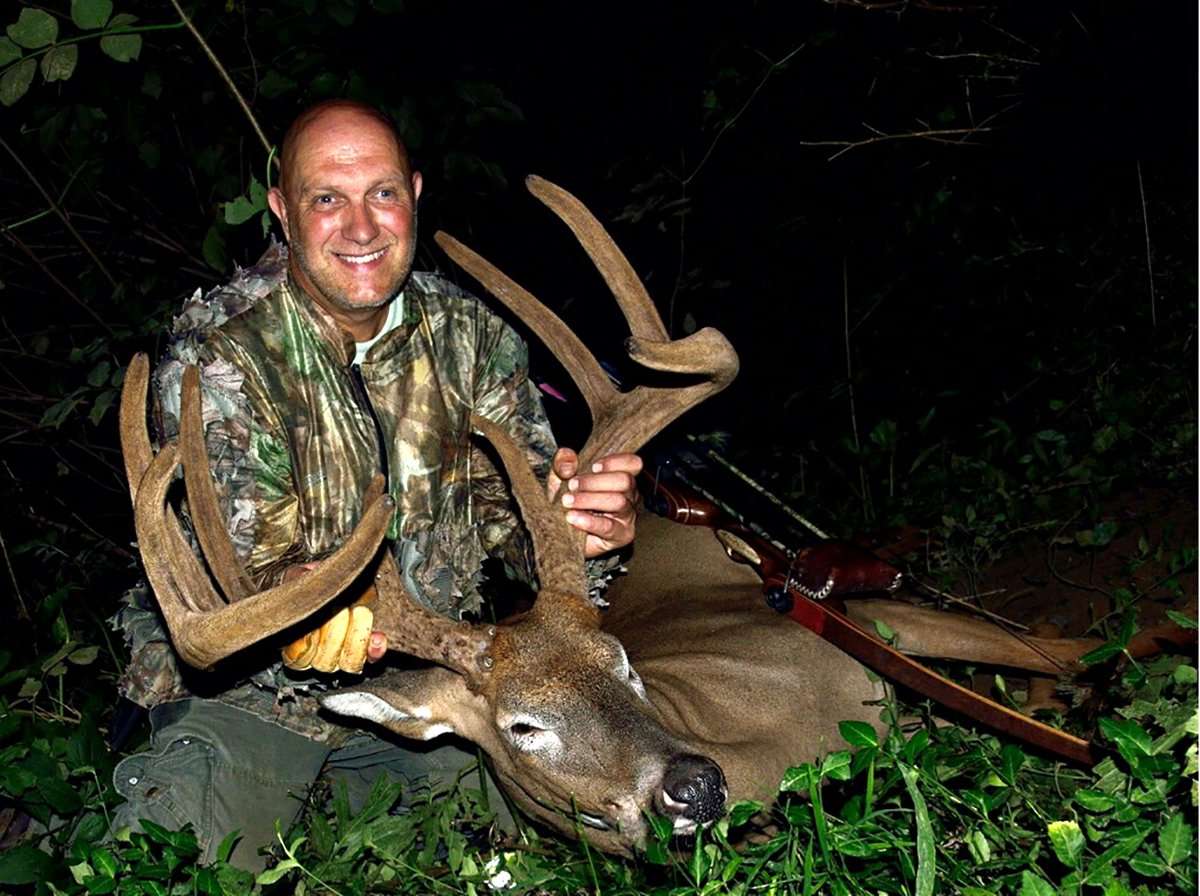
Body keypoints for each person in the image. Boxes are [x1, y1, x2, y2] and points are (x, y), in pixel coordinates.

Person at [110, 99, 642, 870]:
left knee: (514, 867)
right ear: (283, 211)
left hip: (425, 686)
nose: (361, 228)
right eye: (328, 198)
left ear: (415, 195)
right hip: (248, 699)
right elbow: (234, 563)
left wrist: (582, 534)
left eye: (382, 193)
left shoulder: (475, 338)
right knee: (170, 872)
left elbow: (518, 526)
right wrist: (296, 600)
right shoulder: (220, 356)